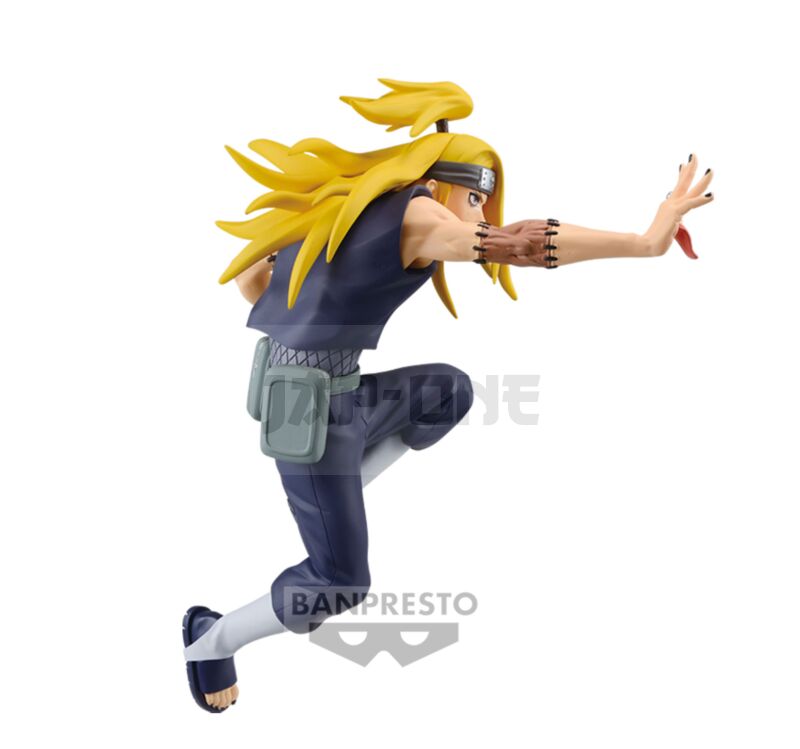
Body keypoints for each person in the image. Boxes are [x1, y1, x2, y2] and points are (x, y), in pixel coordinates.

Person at [182, 78, 714, 713]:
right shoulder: (419, 215)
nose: (481, 216)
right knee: (340, 582)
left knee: (447, 391)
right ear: (436, 185)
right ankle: (212, 639)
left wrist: (302, 316)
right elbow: (517, 244)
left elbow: (253, 281)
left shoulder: (351, 213)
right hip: (307, 416)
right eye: (475, 198)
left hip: (338, 395)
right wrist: (643, 242)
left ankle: (332, 495)